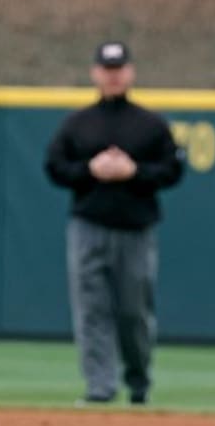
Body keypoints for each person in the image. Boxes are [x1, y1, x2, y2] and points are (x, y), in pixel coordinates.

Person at [44, 41, 184, 406]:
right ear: (96, 73)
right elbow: (55, 168)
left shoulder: (150, 124)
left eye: (119, 68)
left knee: (133, 312)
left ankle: (139, 383)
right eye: (107, 69)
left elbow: (172, 170)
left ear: (130, 72)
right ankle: (100, 388)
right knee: (91, 310)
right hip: (88, 225)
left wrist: (134, 171)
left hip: (135, 228)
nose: (113, 75)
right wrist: (90, 169)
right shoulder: (78, 123)